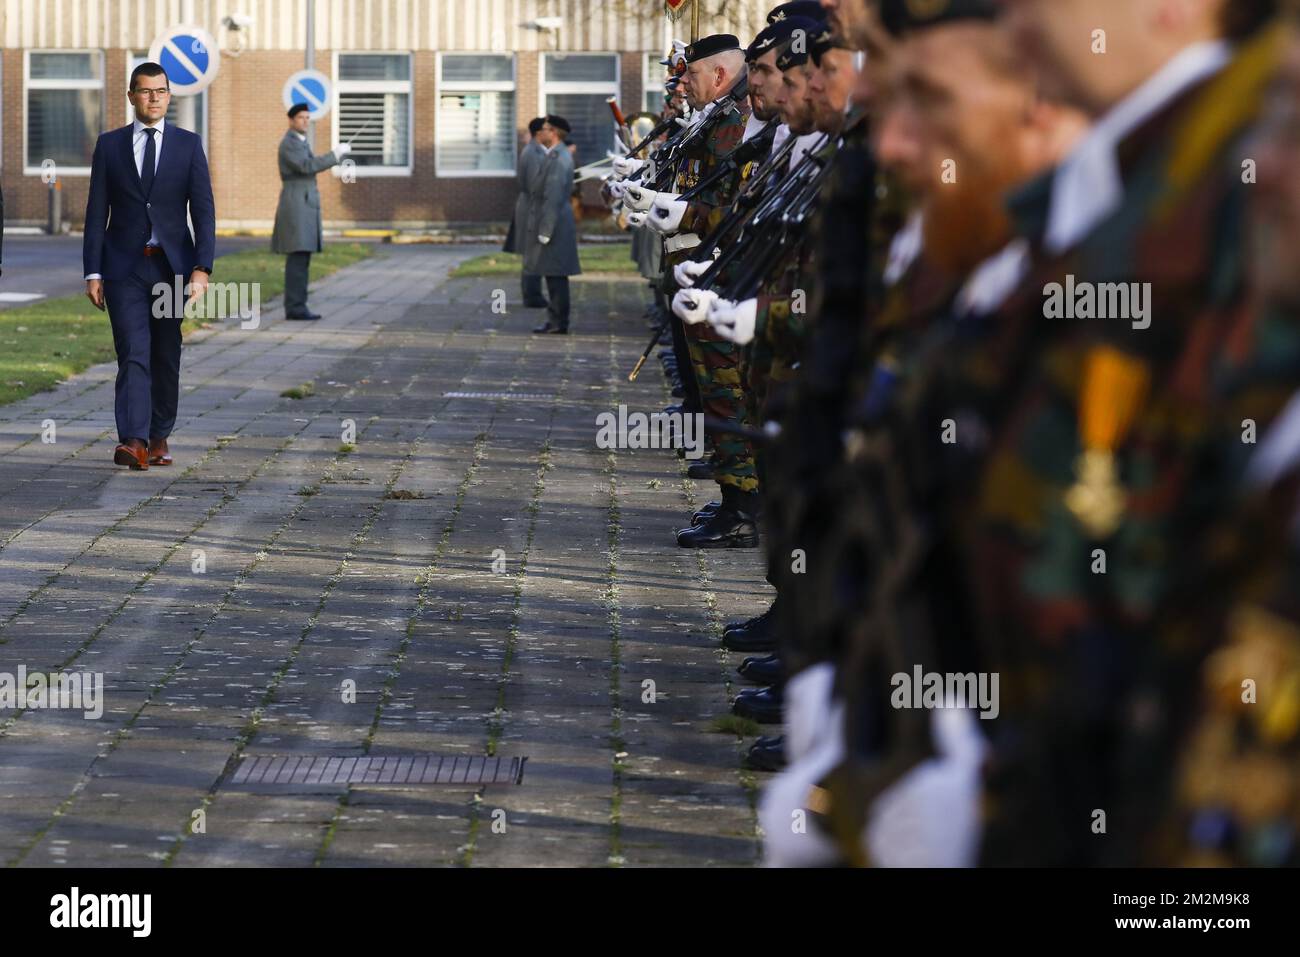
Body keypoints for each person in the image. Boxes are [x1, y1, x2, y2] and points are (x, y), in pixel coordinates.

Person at [83, 61, 215, 471]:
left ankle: (159, 435)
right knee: (133, 352)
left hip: (171, 269)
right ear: (131, 96)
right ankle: (134, 441)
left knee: (165, 353)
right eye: (145, 91)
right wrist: (93, 272)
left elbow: (204, 211)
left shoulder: (188, 145)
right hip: (123, 269)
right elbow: (95, 213)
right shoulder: (109, 146)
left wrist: (202, 268)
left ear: (169, 96)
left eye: (160, 91)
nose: (153, 97)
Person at [271, 102, 351, 321]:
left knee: (303, 256)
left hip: (303, 204)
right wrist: (335, 155)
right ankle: (295, 307)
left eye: (307, 118)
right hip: (296, 205)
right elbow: (307, 166)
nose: (305, 121)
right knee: (298, 256)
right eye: (301, 118)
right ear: (291, 120)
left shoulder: (300, 141)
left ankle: (299, 304)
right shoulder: (289, 143)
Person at [526, 115, 581, 335]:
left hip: (556, 221)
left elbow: (554, 196)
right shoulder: (555, 155)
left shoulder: (559, 158)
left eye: (547, 128)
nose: (543, 132)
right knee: (552, 273)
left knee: (556, 274)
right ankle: (555, 319)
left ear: (555, 133)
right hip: (554, 218)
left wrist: (546, 230)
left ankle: (559, 321)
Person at [504, 117, 548, 308]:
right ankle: (532, 296)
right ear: (539, 133)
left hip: (531, 206)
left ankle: (533, 294)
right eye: (547, 129)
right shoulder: (533, 153)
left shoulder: (536, 151)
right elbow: (533, 185)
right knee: (532, 253)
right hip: (531, 208)